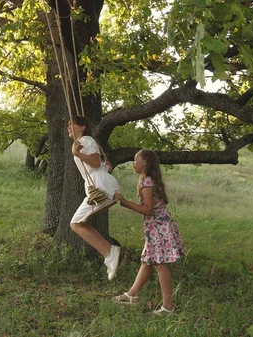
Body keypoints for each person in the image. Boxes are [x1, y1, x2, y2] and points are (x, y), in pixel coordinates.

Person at [113, 149, 186, 315]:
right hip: (157, 226)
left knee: (160, 265)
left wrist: (125, 202)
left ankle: (168, 307)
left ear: (144, 162)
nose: (133, 163)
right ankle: (132, 295)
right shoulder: (148, 180)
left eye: (135, 160)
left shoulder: (147, 182)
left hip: (158, 227)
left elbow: (148, 210)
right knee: (148, 261)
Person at [68, 116, 121, 281]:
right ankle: (109, 252)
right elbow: (104, 165)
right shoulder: (85, 141)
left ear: (82, 126)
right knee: (79, 223)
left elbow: (96, 162)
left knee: (75, 224)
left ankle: (110, 252)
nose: (68, 127)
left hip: (100, 187)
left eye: (72, 124)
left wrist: (76, 153)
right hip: (101, 185)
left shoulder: (85, 139)